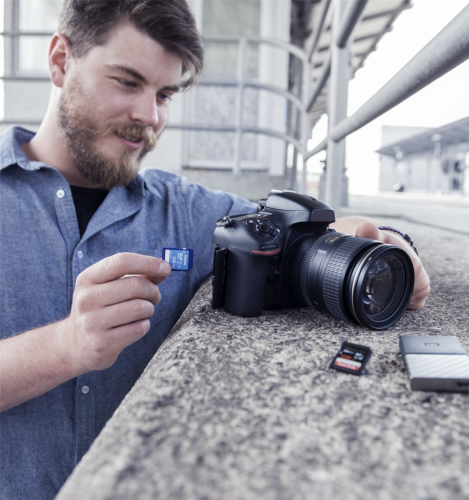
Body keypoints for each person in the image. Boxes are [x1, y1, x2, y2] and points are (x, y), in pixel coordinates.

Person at [0, 0, 430, 498]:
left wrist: (385, 242)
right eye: (128, 82)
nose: (149, 116)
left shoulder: (183, 208)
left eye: (165, 94)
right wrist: (67, 345)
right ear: (60, 61)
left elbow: (300, 231)